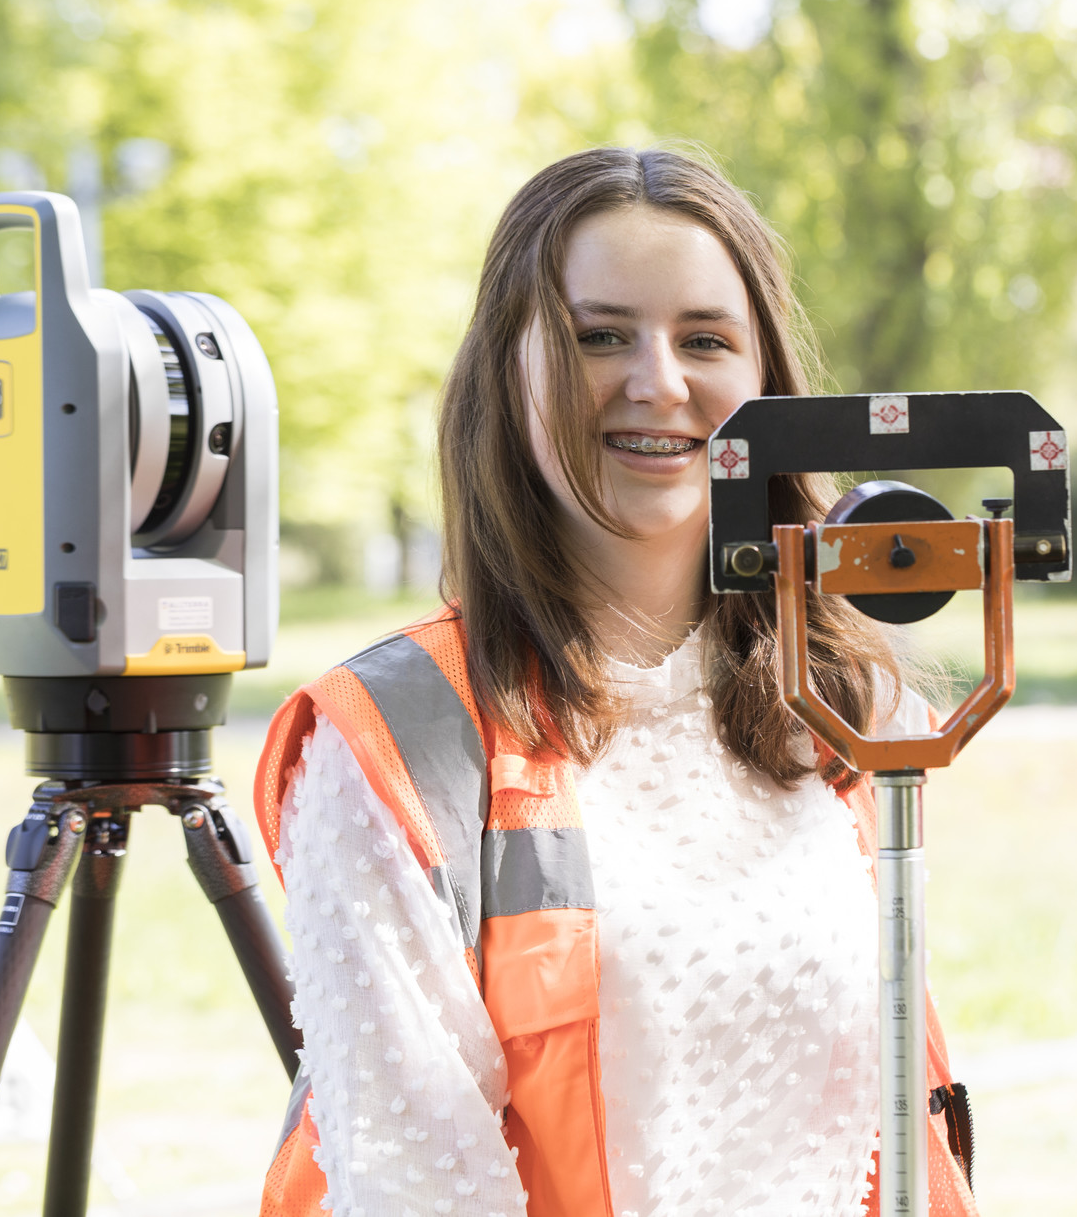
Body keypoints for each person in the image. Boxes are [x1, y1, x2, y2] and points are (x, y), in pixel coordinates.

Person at [251, 148, 979, 1217]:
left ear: (766, 382)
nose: (660, 382)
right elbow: (415, 1185)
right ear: (511, 369)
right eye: (599, 335)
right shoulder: (393, 743)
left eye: (703, 339)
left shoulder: (839, 711)